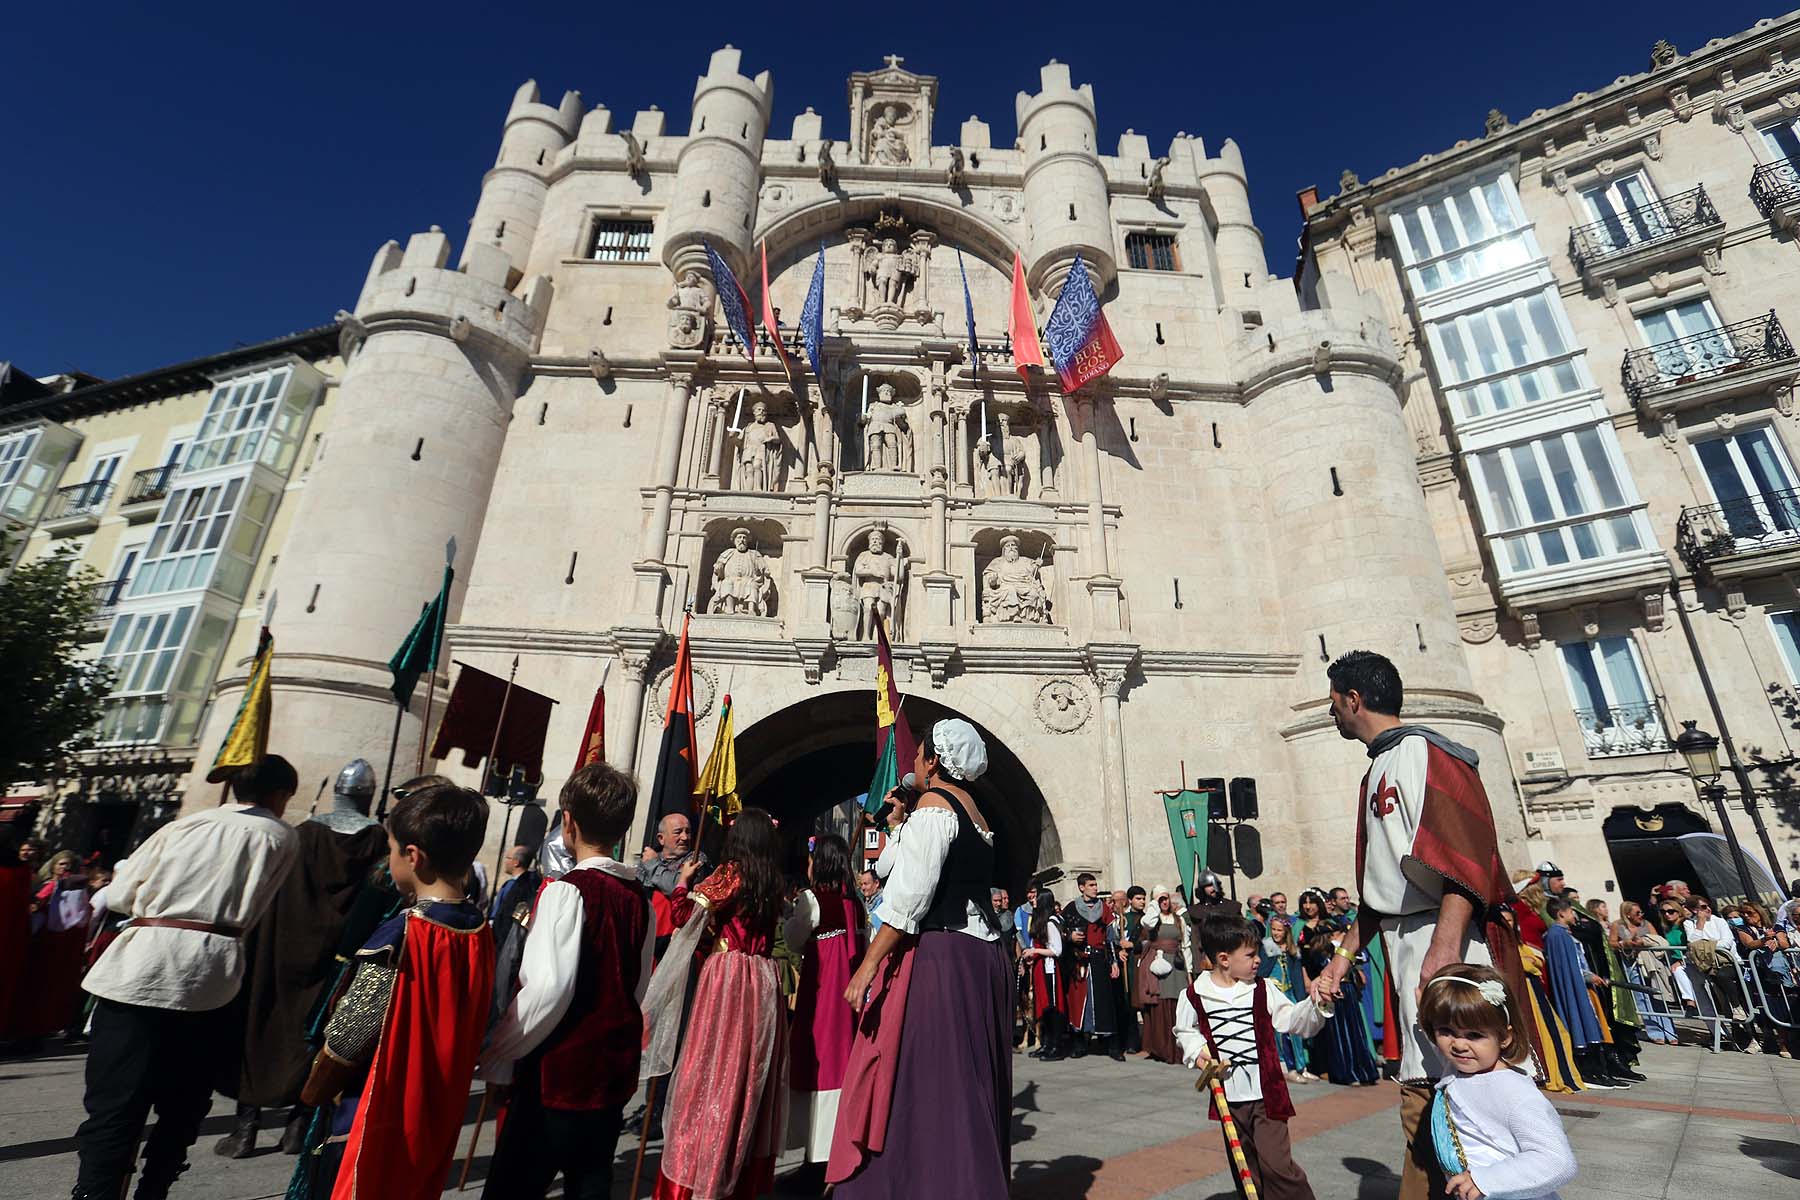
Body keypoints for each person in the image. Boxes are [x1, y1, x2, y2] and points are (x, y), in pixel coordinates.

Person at [1311, 651, 1524, 1200]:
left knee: (1468, 1087)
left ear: (1353, 700)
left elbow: (1467, 860)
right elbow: (1378, 890)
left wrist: (1445, 946)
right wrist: (1342, 957)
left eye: (1334, 702)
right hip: (1407, 942)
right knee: (1423, 1086)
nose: (1332, 712)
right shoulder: (1377, 767)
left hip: (1443, 941)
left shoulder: (1430, 754)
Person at [73, 755, 301, 1200]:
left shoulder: (181, 826)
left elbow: (119, 895)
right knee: (183, 1103)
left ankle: (95, 1191)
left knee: (113, 1102)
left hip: (137, 966)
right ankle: (152, 1189)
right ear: (281, 796)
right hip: (209, 974)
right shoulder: (278, 835)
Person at [831, 719, 1011, 1199]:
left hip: (943, 957)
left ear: (932, 760)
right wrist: (896, 822)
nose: (911, 762)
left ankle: (930, 1181)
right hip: (980, 956)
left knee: (930, 1075)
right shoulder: (974, 811)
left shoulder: (935, 807)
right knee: (963, 1074)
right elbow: (891, 867)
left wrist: (867, 966)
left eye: (918, 755)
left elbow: (909, 897)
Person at [296, 779, 494, 1200]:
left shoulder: (405, 933)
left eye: (391, 849)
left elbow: (352, 1034)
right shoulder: (478, 929)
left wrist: (315, 1088)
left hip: (375, 1109)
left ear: (413, 856)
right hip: (435, 1106)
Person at [478, 763, 651, 1200]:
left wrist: (501, 1054)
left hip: (558, 1077)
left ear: (568, 822)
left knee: (513, 1186)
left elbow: (547, 988)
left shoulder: (565, 890)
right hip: (611, 1072)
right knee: (590, 1183)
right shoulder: (639, 900)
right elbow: (638, 984)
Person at [215, 757, 391, 1159]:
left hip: (281, 949)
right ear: (368, 796)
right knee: (316, 1036)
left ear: (338, 793)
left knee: (261, 1027)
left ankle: (246, 1128)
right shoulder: (379, 841)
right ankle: (298, 1127)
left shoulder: (303, 834)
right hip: (336, 957)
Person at [641, 808, 788, 1200]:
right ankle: (739, 1172)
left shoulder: (730, 872)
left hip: (728, 983)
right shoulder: (771, 879)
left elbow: (686, 915)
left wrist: (682, 884)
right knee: (748, 1077)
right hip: (763, 981)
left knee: (710, 1072)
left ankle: (697, 1174)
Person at [1175, 914, 1330, 1200]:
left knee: (1278, 1166)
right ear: (1224, 959)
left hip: (1266, 1093)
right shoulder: (1194, 994)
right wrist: (1198, 1052)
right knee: (1245, 1167)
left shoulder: (1263, 988)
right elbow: (1185, 1030)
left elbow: (1294, 1020)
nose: (1258, 960)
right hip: (1227, 1096)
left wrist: (1316, 1003)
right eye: (1250, 954)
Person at [1418, 965, 1576, 1200]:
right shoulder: (1460, 1065)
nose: (1459, 1045)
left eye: (1474, 1035)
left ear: (1504, 1037)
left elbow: (1557, 1160)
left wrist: (1485, 1180)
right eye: (1446, 1031)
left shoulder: (1513, 1092)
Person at [783, 833, 866, 1181]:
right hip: (846, 999)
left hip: (821, 998)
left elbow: (792, 937)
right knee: (841, 1064)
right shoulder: (855, 902)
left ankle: (815, 1163)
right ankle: (837, 1151)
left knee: (817, 1063)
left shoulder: (813, 901)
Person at [1542, 898, 1625, 1087]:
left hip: (1584, 986)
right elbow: (1569, 968)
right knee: (1584, 1024)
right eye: (1571, 911)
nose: (1574, 915)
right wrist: (1589, 977)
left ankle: (1600, 1069)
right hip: (1578, 988)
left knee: (1597, 1026)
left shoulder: (1564, 933)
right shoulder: (1557, 935)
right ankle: (1591, 1071)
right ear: (1561, 913)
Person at [17, 849, 90, 1043]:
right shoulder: (49, 885)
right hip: (39, 937)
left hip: (51, 940)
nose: (65, 868)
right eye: (61, 864)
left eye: (68, 864)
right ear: (53, 865)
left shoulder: (73, 888)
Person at [1300, 924, 1378, 1085]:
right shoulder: (1317, 954)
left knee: (1355, 1032)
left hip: (1347, 991)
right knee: (1340, 1034)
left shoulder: (1337, 952)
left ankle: (1363, 1071)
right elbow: (1316, 972)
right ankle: (1346, 1073)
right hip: (1332, 992)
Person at [1062, 873, 1124, 1060]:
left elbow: (1111, 937)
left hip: (1099, 961)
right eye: (1091, 885)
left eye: (1095, 885)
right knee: (1079, 1004)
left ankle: (1112, 1047)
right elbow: (1060, 932)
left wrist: (1113, 961)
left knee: (1104, 1003)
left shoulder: (1104, 908)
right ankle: (1079, 1044)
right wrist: (1070, 938)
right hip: (1078, 961)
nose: (1095, 888)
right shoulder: (1071, 908)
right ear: (1081, 887)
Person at [1611, 900, 1678, 1046]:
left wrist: (1643, 942)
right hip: (1632, 964)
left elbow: (1657, 939)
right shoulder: (1618, 925)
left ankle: (1670, 1032)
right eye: (1637, 913)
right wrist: (1625, 943)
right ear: (1628, 915)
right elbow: (1612, 943)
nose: (1641, 915)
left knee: (1658, 996)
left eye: (1641, 912)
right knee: (1642, 998)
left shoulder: (1646, 924)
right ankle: (1655, 1032)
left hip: (1651, 964)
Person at [1137, 885, 1190, 1065]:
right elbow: (1147, 923)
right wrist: (1154, 903)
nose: (1164, 902)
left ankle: (1179, 1049)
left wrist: (1189, 972)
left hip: (1177, 964)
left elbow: (1185, 946)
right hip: (1159, 964)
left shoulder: (1178, 920)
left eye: (1166, 898)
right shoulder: (1153, 918)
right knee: (1162, 1004)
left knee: (1178, 1004)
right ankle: (1163, 1048)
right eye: (1161, 899)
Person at [1259, 915, 1313, 1083]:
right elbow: (1262, 970)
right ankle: (1285, 1066)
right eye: (1273, 929)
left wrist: (1301, 997)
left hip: (1289, 992)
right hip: (1274, 992)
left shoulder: (1292, 949)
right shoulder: (1267, 946)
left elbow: (1296, 974)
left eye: (1279, 930)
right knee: (1279, 1031)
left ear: (1286, 931)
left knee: (1295, 1029)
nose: (1275, 933)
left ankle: (1301, 1066)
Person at [1025, 888, 1068, 1061]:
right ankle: (1046, 1044)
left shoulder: (1051, 922)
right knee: (1042, 1005)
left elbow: (1056, 950)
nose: (1033, 901)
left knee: (1052, 1005)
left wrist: (1035, 951)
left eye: (1036, 898)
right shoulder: (1039, 921)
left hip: (1049, 968)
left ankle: (1056, 1046)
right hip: (1039, 967)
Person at [858, 868, 885, 933]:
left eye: (866, 884)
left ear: (876, 883)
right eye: (861, 884)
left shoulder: (884, 903)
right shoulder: (866, 903)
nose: (863, 888)